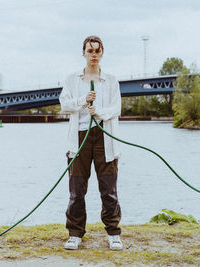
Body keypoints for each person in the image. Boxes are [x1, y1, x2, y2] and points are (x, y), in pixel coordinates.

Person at [59, 36, 123, 250]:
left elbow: (117, 109)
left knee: (109, 189)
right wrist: (83, 101)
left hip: (104, 137)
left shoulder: (111, 80)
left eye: (97, 50)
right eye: (90, 50)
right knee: (77, 189)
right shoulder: (71, 80)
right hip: (79, 138)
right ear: (83, 53)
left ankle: (113, 233)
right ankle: (75, 234)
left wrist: (101, 112)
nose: (94, 54)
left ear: (102, 53)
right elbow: (65, 105)